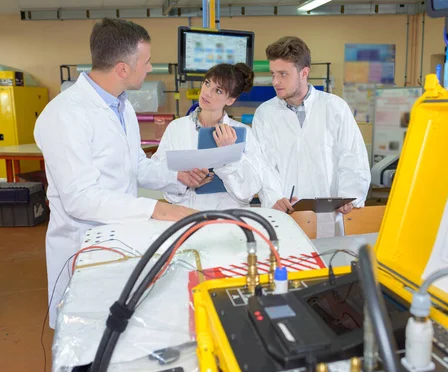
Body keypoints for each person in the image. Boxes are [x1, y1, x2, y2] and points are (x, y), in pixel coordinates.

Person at [34, 18, 203, 331]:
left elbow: (135, 165)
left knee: (114, 334)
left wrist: (176, 176)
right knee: (86, 347)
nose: (150, 68)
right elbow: (80, 199)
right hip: (81, 248)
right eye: (147, 61)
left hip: (119, 238)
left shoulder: (122, 106)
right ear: (123, 68)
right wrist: (158, 208)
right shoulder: (65, 115)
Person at [252, 36, 371, 238]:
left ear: (304, 72)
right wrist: (274, 198)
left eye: (283, 74)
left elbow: (353, 156)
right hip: (284, 216)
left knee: (329, 264)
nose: (275, 81)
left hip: (329, 217)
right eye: (273, 74)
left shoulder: (334, 107)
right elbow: (262, 164)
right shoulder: (265, 113)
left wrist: (349, 195)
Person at [152, 63, 279, 210]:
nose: (207, 93)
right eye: (207, 83)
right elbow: (158, 172)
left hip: (229, 218)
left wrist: (228, 155)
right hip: (186, 216)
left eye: (218, 91)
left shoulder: (243, 133)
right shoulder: (177, 128)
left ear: (230, 100)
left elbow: (248, 192)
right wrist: (181, 179)